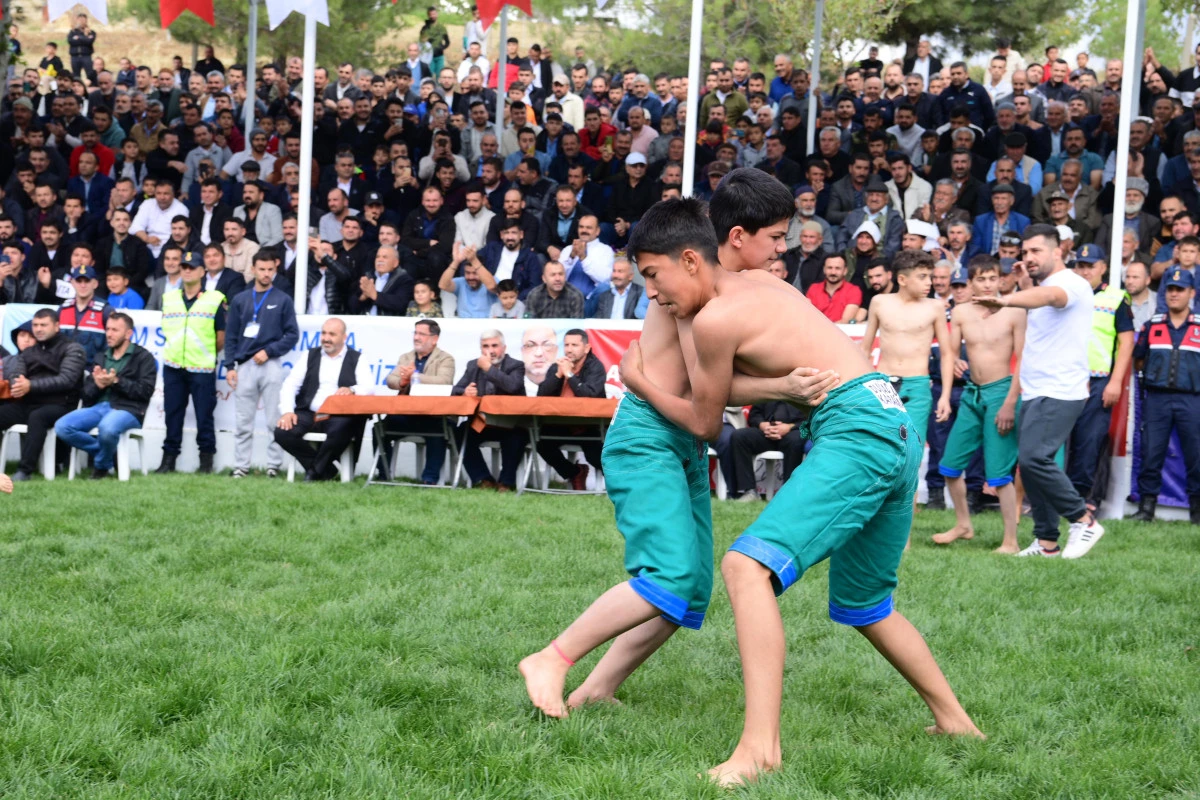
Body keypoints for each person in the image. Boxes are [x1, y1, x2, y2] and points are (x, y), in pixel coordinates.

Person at [607, 199, 980, 786]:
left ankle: (759, 751)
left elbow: (707, 416)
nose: (779, 251)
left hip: (858, 428)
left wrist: (637, 382)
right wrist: (776, 382)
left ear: (696, 254)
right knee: (866, 605)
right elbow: (747, 373)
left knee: (744, 567)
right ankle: (956, 721)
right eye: (775, 239)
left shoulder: (715, 315)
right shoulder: (766, 289)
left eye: (653, 277)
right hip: (895, 423)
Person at [518, 186, 837, 724]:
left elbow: (709, 387)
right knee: (668, 577)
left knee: (688, 590)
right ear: (735, 239)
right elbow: (706, 406)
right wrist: (639, 380)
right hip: (648, 435)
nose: (778, 254)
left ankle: (597, 690)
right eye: (775, 240)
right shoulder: (691, 292)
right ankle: (552, 657)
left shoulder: (714, 289)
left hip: (680, 439)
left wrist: (781, 382)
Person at [974, 225, 1105, 558]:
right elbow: (1041, 295)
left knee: (1034, 459)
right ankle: (1047, 542)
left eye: (1035, 251)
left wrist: (1006, 299)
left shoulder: (1071, 284)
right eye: (1024, 253)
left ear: (1057, 251)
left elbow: (1050, 297)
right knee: (1031, 464)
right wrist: (1024, 284)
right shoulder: (1042, 285)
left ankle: (1083, 520)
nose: (1028, 258)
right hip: (1036, 388)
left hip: (1060, 389)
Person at [931, 257, 1026, 552]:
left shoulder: (1015, 311)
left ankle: (1010, 540)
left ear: (1000, 281)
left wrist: (1010, 402)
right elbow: (949, 353)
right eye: (980, 279)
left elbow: (1024, 359)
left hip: (1001, 393)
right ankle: (963, 524)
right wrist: (947, 392)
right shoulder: (960, 312)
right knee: (949, 467)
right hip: (972, 394)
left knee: (999, 475)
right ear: (970, 283)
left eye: (992, 278)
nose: (986, 284)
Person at [859, 250, 954, 485]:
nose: (929, 282)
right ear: (902, 279)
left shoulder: (934, 307)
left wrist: (945, 396)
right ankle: (876, 514)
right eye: (922, 276)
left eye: (929, 276)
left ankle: (905, 519)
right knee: (878, 450)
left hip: (917, 385)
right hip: (882, 383)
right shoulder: (880, 302)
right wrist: (857, 387)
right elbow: (865, 348)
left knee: (912, 453)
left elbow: (947, 353)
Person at [1066, 245, 1134, 510]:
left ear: (1103, 268)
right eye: (1080, 265)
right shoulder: (1067, 295)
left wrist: (1115, 382)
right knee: (1061, 440)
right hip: (1067, 377)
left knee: (1090, 440)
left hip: (1098, 380)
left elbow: (1126, 344)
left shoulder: (1115, 298)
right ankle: (1061, 497)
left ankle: (1086, 498)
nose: (1084, 271)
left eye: (1089, 266)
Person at [1130, 268, 1200, 524]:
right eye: (1170, 289)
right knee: (1151, 453)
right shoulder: (1153, 325)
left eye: (1180, 290)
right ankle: (1146, 509)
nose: (1174, 294)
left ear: (1191, 293)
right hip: (1157, 399)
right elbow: (1138, 360)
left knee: (1197, 456)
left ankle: (1197, 513)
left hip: (1193, 400)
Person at [53, 312, 156, 479]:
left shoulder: (143, 357)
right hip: (100, 407)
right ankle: (105, 456)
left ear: (128, 333)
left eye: (115, 330)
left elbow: (145, 392)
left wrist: (116, 381)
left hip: (129, 410)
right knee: (62, 427)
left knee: (107, 428)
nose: (109, 334)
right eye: (107, 329)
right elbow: (86, 396)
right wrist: (98, 386)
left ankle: (100, 468)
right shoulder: (101, 356)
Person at [224, 253, 300, 479]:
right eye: (262, 269)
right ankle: (241, 466)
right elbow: (231, 336)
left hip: (271, 363)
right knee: (243, 420)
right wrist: (230, 365)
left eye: (270, 270)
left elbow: (292, 335)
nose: (266, 274)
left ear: (274, 270)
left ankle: (273, 466)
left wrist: (270, 351)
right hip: (245, 364)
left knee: (273, 419)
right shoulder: (241, 299)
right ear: (254, 269)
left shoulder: (283, 299)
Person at [275, 318, 374, 481]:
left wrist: (352, 389)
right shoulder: (309, 355)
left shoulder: (357, 358)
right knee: (282, 432)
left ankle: (314, 473)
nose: (326, 338)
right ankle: (325, 470)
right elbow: (290, 384)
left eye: (332, 334)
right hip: (309, 412)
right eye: (324, 333)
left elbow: (369, 388)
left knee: (341, 429)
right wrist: (287, 411)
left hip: (338, 415)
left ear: (344, 337)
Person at [156, 250, 226, 474]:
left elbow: (220, 336)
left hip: (202, 367)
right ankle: (168, 461)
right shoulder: (169, 298)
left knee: (204, 416)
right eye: (184, 267)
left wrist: (205, 354)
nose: (186, 271)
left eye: (191, 267)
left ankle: (206, 462)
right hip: (173, 365)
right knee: (172, 415)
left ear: (202, 272)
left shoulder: (214, 299)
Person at [0, 309, 86, 481]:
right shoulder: (29, 351)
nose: (38, 329)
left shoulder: (73, 349)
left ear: (56, 326)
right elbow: (16, 373)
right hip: (29, 403)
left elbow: (66, 380)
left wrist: (30, 385)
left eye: (43, 325)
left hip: (61, 405)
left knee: (37, 417)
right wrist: (18, 382)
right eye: (35, 325)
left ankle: (24, 471)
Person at [380, 319, 456, 484]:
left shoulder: (445, 359)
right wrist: (403, 381)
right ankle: (383, 475)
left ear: (434, 339)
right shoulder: (406, 357)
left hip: (433, 415)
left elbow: (444, 381)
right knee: (379, 428)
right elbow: (390, 380)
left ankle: (429, 479)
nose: (416, 337)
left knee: (438, 430)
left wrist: (414, 377)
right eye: (415, 333)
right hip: (407, 414)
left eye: (422, 334)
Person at [452, 329, 527, 491]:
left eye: (495, 346)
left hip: (510, 423)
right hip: (483, 422)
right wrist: (465, 392)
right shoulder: (473, 365)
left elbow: (512, 386)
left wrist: (488, 369)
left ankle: (506, 482)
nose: (490, 351)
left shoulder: (516, 366)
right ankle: (483, 478)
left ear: (504, 348)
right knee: (459, 432)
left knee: (517, 436)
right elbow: (455, 389)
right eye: (485, 346)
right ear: (481, 349)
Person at [534, 329, 606, 490]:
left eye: (574, 345)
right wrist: (559, 375)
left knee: (596, 457)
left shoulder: (595, 367)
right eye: (566, 345)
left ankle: (624, 485)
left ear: (586, 348)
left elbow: (589, 396)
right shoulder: (557, 367)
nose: (569, 349)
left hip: (589, 426)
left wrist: (570, 375)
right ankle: (574, 472)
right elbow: (541, 395)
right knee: (540, 442)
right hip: (561, 425)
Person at [729, 400, 807, 502]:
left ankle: (788, 492)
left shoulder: (805, 388)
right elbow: (754, 415)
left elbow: (810, 419)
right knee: (739, 437)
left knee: (796, 440)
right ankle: (750, 491)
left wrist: (789, 427)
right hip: (767, 433)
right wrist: (762, 425)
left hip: (793, 432)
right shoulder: (769, 387)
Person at [438, 248, 497, 318]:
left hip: (487, 325)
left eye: (475, 273)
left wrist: (474, 260)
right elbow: (443, 285)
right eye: (467, 273)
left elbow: (492, 286)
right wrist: (456, 262)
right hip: (463, 326)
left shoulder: (492, 280)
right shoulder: (461, 282)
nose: (471, 277)